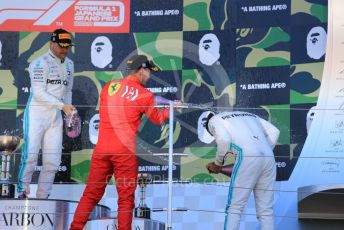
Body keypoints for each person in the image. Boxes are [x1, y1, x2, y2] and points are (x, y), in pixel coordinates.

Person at [70, 55, 180, 230]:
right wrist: (172, 109)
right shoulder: (144, 95)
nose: (149, 76)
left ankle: (74, 228)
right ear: (142, 70)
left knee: (91, 195)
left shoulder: (108, 87)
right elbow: (158, 119)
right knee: (126, 198)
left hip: (102, 149)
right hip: (123, 151)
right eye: (149, 71)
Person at [17, 28, 75, 199]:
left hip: (55, 116)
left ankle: (43, 197)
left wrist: (69, 108)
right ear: (51, 44)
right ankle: (22, 192)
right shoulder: (39, 63)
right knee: (31, 156)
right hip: (37, 114)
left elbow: (68, 89)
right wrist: (62, 106)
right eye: (61, 46)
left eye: (67, 46)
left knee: (52, 161)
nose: (64, 50)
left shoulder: (70, 64)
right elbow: (39, 93)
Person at [198, 110, 280, 230]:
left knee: (235, 208)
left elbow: (224, 140)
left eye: (212, 134)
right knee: (266, 211)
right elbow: (275, 131)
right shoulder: (249, 114)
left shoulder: (213, 121)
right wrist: (263, 150)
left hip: (247, 156)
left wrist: (218, 164)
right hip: (268, 157)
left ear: (206, 125)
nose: (213, 136)